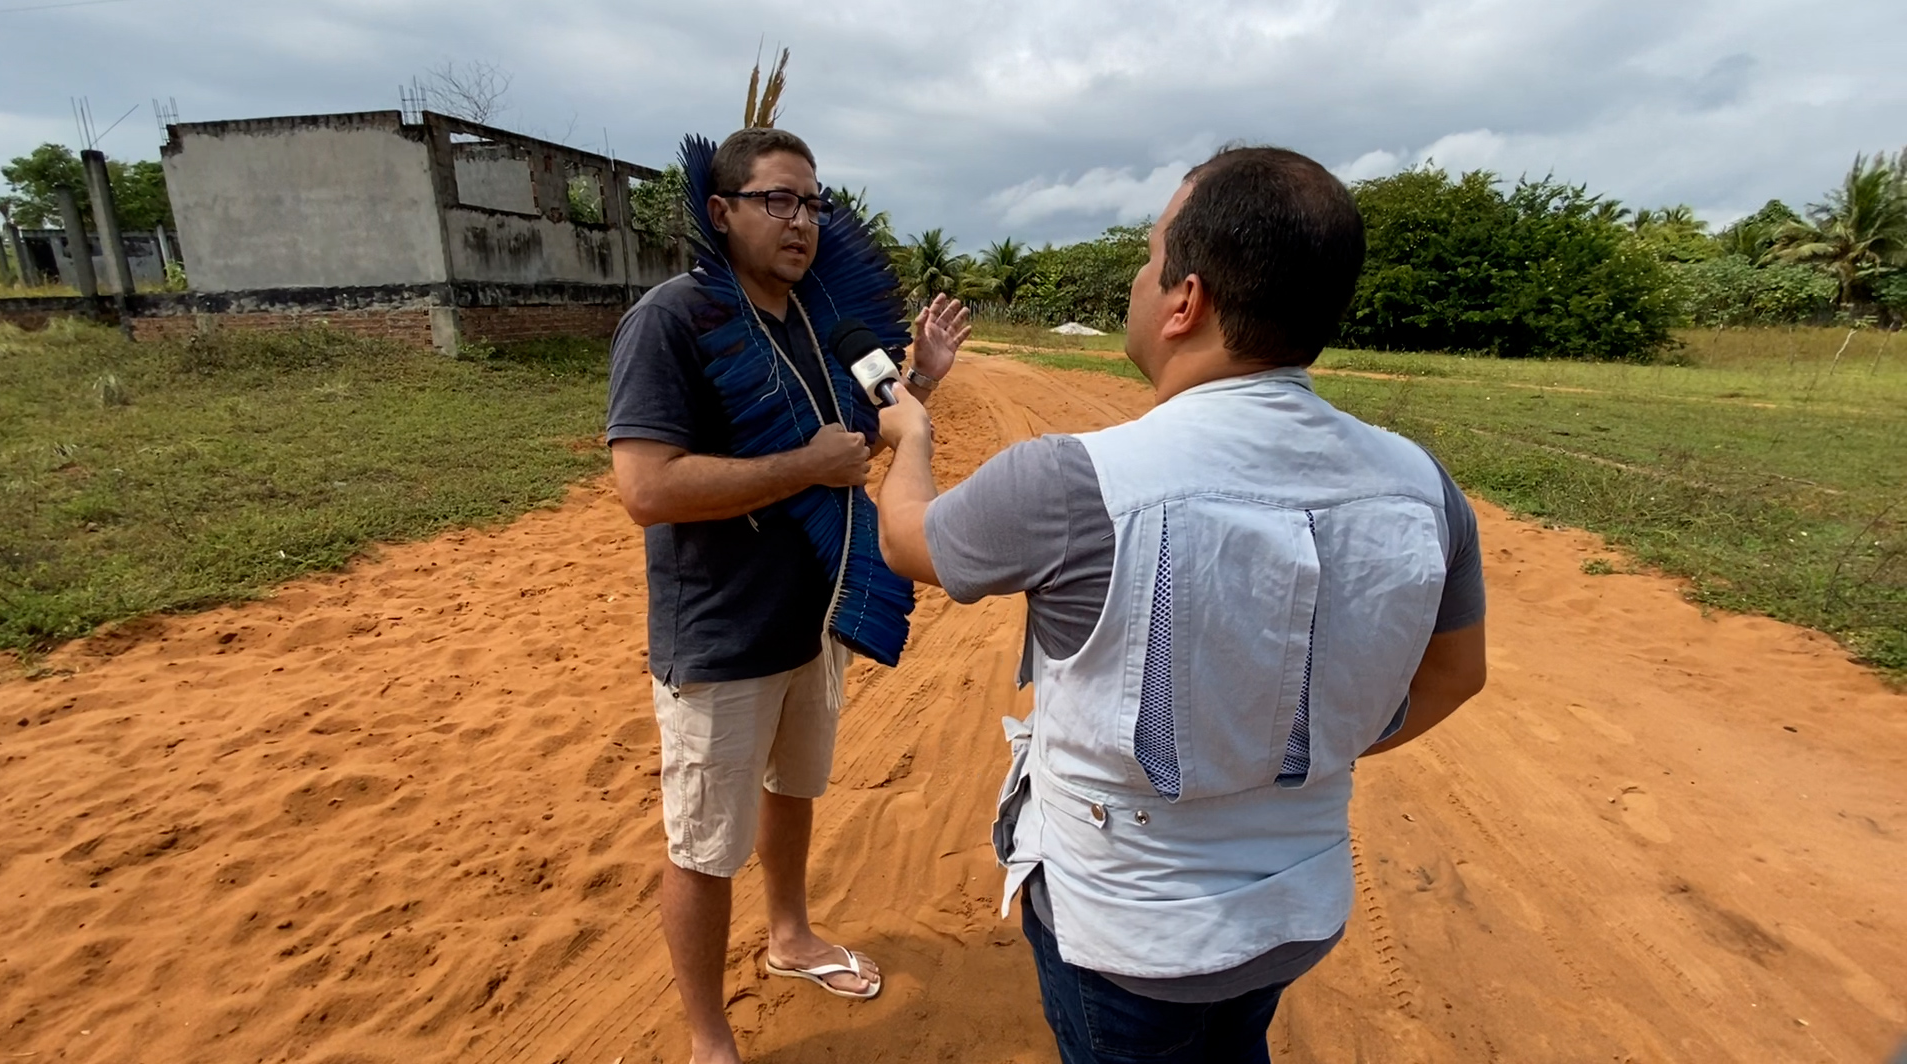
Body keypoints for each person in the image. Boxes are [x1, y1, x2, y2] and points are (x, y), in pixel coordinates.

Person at [873, 145, 1488, 1063]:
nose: (1135, 277)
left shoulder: (1075, 480)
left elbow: (905, 541)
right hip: (1298, 901)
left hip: (1127, 931)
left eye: (1147, 255)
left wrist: (911, 434)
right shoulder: (1422, 486)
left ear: (1184, 301)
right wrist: (1293, 750)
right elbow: (1456, 675)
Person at [606, 127, 969, 1064]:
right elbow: (646, 489)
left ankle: (791, 934)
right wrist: (799, 467)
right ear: (721, 212)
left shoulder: (820, 323)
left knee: (792, 789)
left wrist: (920, 376)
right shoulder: (672, 320)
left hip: (811, 620)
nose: (800, 220)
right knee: (703, 846)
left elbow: (861, 437)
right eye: (777, 200)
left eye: (812, 202)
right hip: (720, 632)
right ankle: (709, 1039)